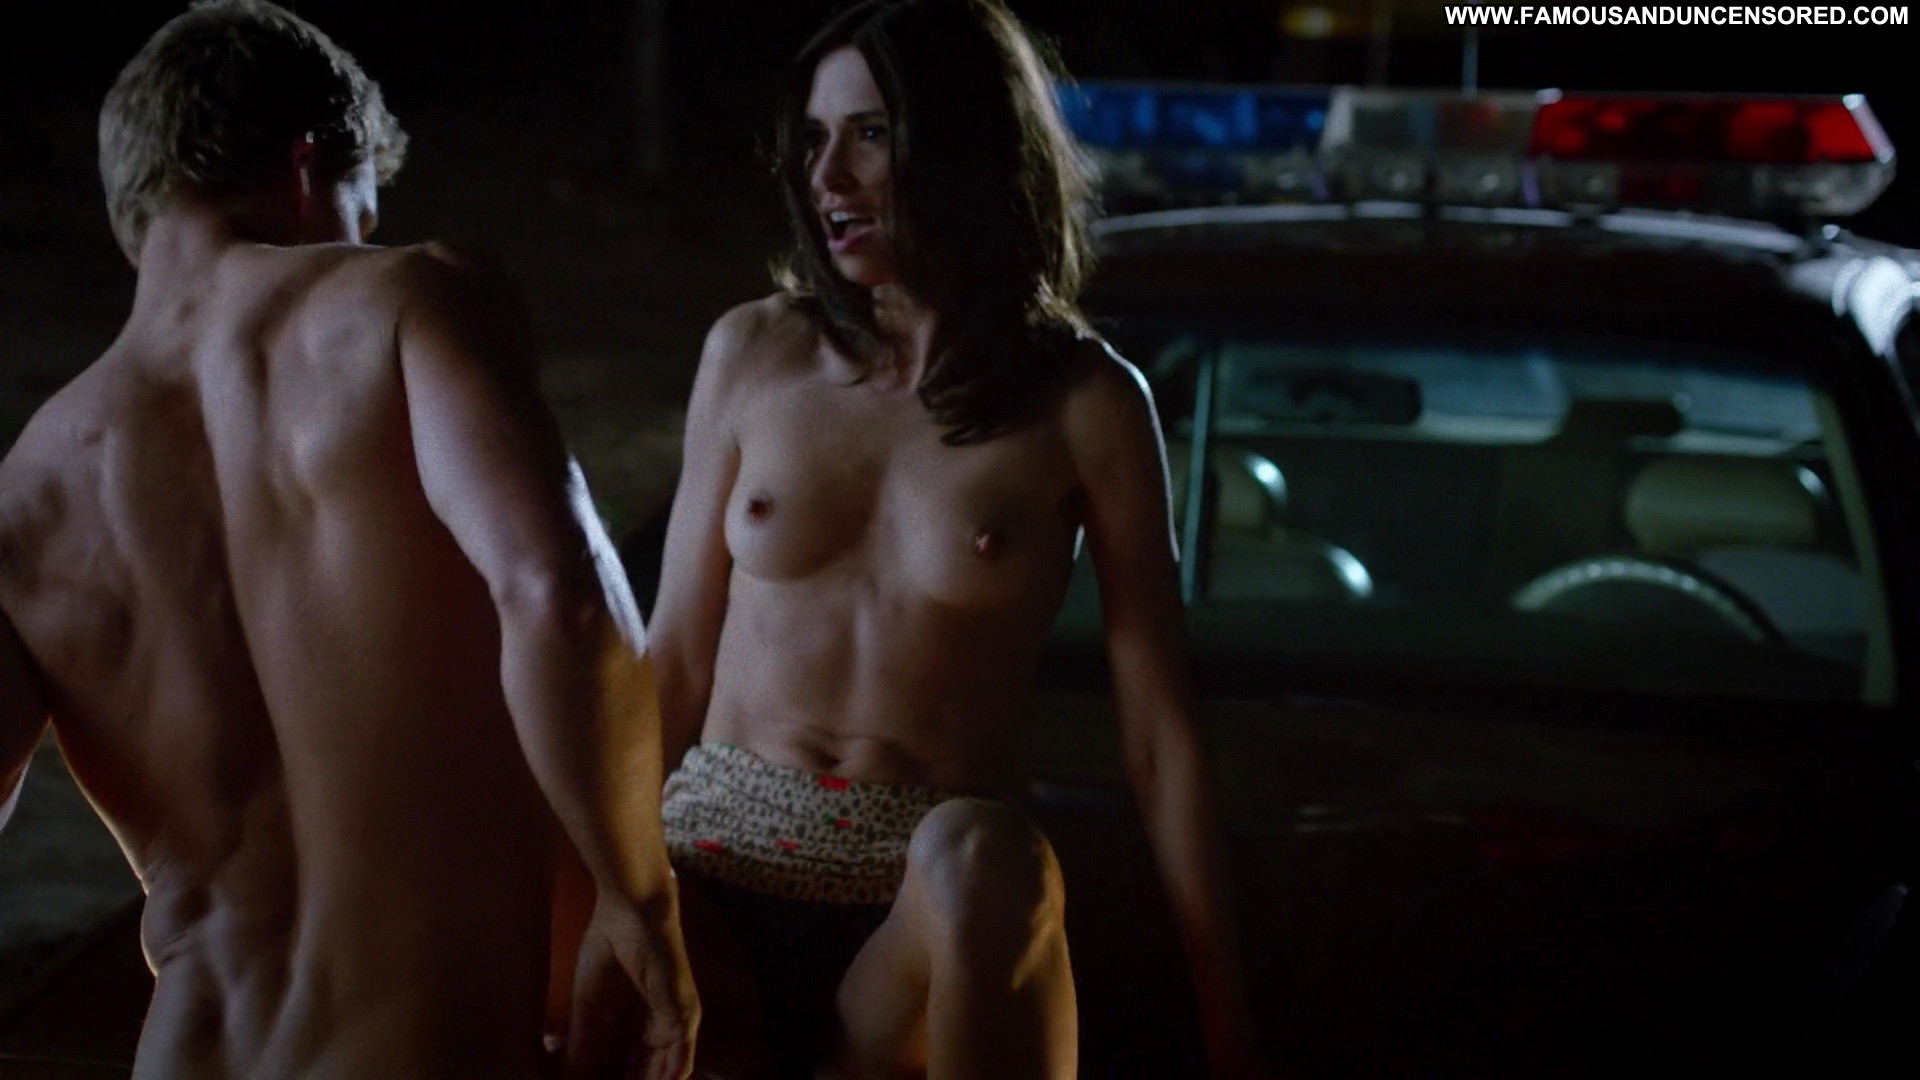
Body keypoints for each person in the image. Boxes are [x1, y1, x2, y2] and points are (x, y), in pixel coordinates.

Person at [0, 3, 696, 1077]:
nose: (363, 241)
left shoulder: (28, 490)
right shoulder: (406, 302)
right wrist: (637, 900)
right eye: (363, 208)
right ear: (310, 161)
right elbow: (556, 595)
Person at [647, 0, 1265, 1076]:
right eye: (813, 139)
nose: (828, 176)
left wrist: (1228, 1020)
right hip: (710, 886)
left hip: (915, 927)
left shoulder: (1085, 401)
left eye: (870, 134)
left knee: (984, 852)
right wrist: (615, 904)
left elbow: (1159, 735)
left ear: (967, 147)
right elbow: (672, 664)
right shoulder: (753, 351)